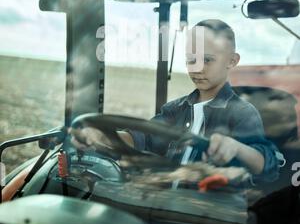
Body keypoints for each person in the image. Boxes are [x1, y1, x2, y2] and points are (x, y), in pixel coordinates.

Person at [72, 19, 283, 183]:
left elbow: (267, 164)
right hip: (167, 205)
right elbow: (144, 137)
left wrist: (236, 148)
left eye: (207, 60)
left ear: (232, 61)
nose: (197, 68)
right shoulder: (175, 109)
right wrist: (104, 136)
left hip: (214, 216)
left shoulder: (242, 113)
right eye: (191, 60)